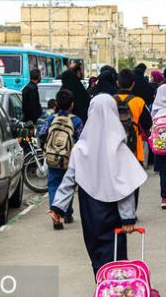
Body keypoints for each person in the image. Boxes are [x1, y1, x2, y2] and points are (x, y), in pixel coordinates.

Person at [49, 94, 147, 277]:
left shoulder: (81, 149)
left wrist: (58, 207)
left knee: (96, 254)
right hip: (114, 213)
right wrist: (128, 218)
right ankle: (115, 295)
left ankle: (104, 289)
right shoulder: (120, 150)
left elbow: (69, 180)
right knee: (116, 255)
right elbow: (124, 188)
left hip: (90, 211)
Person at [40, 90, 83, 230]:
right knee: (68, 184)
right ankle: (67, 213)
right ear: (72, 105)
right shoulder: (76, 120)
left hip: (52, 157)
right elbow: (81, 140)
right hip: (69, 158)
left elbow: (42, 134)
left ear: (57, 103)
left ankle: (56, 217)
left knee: (53, 185)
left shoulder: (51, 118)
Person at [114, 69, 152, 165]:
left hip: (114, 146)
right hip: (135, 148)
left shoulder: (110, 100)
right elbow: (147, 124)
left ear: (118, 83)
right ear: (133, 84)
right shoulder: (139, 101)